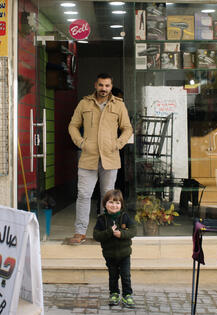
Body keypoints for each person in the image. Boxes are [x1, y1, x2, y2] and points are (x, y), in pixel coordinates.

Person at [68, 73, 133, 245]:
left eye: (107, 86)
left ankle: (107, 230)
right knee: (83, 195)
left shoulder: (119, 105)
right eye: (101, 85)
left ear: (111, 87)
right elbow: (73, 125)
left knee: (108, 197)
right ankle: (80, 232)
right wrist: (81, 143)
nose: (104, 89)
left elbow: (127, 128)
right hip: (88, 157)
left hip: (110, 158)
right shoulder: (84, 103)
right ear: (95, 85)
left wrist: (118, 144)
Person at [93, 189, 137, 308]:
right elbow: (96, 236)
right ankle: (114, 293)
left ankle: (127, 294)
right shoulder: (102, 219)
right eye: (111, 202)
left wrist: (122, 234)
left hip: (124, 254)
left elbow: (134, 230)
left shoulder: (125, 217)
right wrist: (109, 232)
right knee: (113, 276)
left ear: (121, 205)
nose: (114, 205)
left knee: (126, 275)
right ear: (105, 204)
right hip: (109, 254)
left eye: (117, 203)